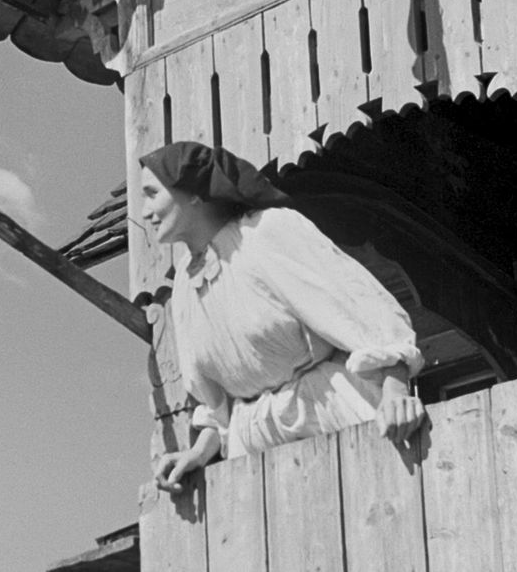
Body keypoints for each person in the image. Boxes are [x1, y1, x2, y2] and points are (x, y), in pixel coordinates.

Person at [141, 141, 426, 493]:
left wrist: (396, 391)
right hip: (254, 453)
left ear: (194, 194)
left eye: (152, 194)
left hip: (331, 416)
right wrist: (198, 453)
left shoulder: (266, 232)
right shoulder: (185, 285)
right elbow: (218, 407)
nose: (145, 212)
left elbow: (368, 313)